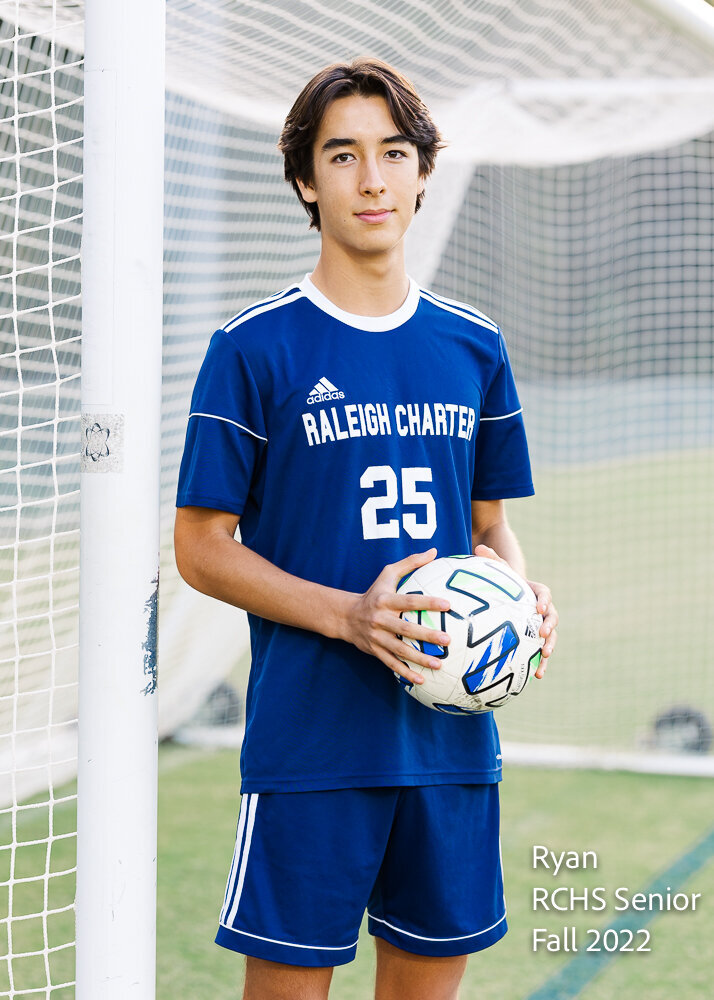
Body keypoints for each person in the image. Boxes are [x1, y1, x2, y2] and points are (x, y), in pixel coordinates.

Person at [174, 57, 558, 1000]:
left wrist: (521, 600)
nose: (372, 179)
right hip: (312, 744)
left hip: (451, 741)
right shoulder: (254, 348)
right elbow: (199, 547)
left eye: (393, 153)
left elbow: (489, 529)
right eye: (342, 155)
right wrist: (349, 615)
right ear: (307, 179)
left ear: (424, 171)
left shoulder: (475, 347)